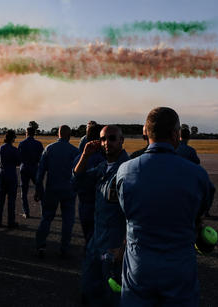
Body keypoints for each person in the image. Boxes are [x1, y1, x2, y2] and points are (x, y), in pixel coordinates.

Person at [116, 107, 214, 305]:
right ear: (175, 134)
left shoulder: (125, 170)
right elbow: (202, 209)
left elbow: (124, 208)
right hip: (179, 265)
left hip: (139, 266)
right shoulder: (197, 174)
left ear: (147, 133)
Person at [73, 125, 128, 305]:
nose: (106, 143)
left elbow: (134, 215)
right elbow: (77, 181)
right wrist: (85, 155)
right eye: (103, 139)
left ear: (121, 141)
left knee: (113, 296)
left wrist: (124, 247)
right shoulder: (102, 167)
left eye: (112, 139)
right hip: (96, 242)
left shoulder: (127, 171)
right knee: (88, 290)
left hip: (114, 246)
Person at [34, 125, 79, 258]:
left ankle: (40, 245)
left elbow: (40, 171)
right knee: (68, 221)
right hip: (69, 191)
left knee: (46, 218)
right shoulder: (74, 151)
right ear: (69, 135)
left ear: (58, 134)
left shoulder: (49, 149)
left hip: (51, 189)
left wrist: (38, 188)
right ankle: (64, 248)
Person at [73, 120, 104, 245]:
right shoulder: (106, 159)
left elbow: (74, 183)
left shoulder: (79, 158)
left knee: (89, 240)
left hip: (85, 203)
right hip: (100, 205)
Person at [0, 130, 20, 228]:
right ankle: (11, 221)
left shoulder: (0, 148)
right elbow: (18, 162)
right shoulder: (14, 150)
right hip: (11, 175)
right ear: (12, 138)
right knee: (11, 201)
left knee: (0, 200)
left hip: (2, 174)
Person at [17, 125, 43, 218]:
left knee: (24, 191)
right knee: (40, 189)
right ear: (34, 133)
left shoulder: (22, 143)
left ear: (26, 133)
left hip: (24, 168)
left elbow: (18, 157)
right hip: (35, 167)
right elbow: (41, 158)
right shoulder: (38, 144)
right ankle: (43, 211)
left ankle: (26, 212)